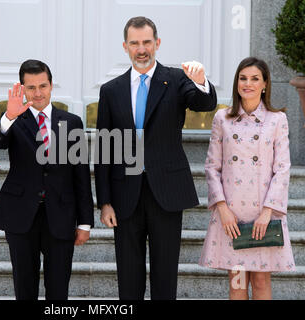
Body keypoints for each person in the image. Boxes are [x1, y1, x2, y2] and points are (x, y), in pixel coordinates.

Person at [95, 16, 217, 300]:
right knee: (128, 276)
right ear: (125, 46)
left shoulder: (176, 79)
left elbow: (204, 103)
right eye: (135, 43)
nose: (141, 49)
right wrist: (104, 201)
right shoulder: (110, 91)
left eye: (147, 42)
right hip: (125, 195)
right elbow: (103, 150)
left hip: (167, 192)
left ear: (157, 43)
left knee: (165, 275)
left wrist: (200, 82)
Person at [0, 59, 94, 300]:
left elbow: (80, 175)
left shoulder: (72, 122)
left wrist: (85, 222)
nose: (37, 93)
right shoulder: (15, 119)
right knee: (24, 287)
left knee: (58, 290)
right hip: (21, 215)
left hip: (61, 215)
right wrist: (8, 116)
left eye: (42, 86)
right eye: (31, 87)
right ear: (23, 89)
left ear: (52, 85)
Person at [199, 57, 295, 300]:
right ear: (236, 83)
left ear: (265, 84)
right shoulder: (223, 119)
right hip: (232, 216)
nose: (248, 84)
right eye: (243, 78)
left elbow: (282, 168)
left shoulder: (277, 120)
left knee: (261, 281)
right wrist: (222, 208)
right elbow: (212, 167)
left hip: (264, 213)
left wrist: (268, 212)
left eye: (254, 79)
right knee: (238, 281)